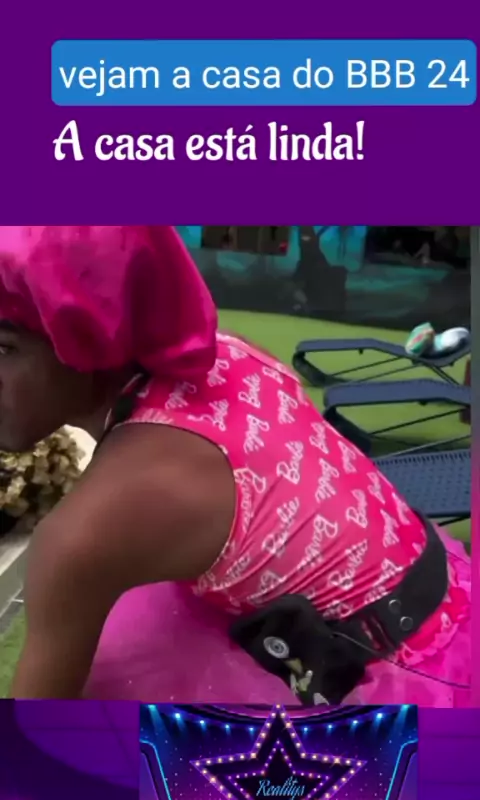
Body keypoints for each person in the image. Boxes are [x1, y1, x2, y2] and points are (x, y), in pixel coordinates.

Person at [0, 226, 470, 705]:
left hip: (407, 681)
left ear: (88, 334)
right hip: (441, 591)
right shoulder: (229, 353)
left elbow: (33, 730)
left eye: (4, 349)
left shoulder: (90, 527)